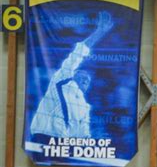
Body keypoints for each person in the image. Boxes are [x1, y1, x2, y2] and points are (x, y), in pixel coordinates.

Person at [30, 11, 113, 140]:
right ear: (73, 76)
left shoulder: (84, 107)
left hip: (62, 143)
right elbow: (76, 55)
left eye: (88, 80)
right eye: (83, 77)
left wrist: (92, 139)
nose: (86, 80)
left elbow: (83, 134)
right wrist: (99, 32)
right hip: (43, 135)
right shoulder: (62, 81)